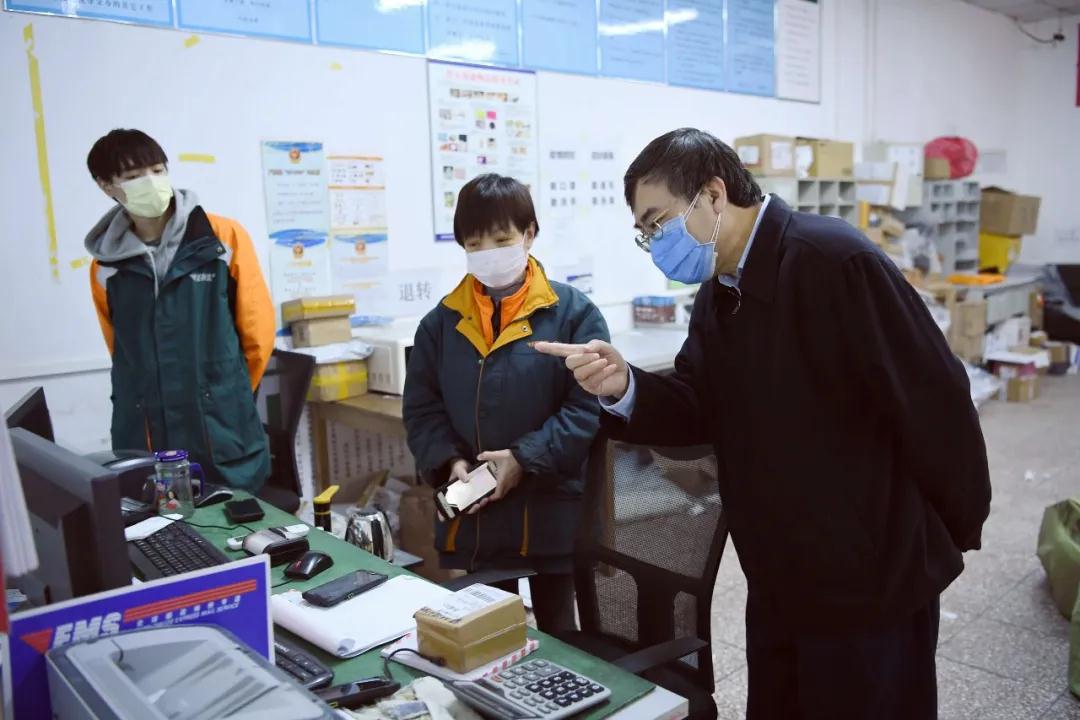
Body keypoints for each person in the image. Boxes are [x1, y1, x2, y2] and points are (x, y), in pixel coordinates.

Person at [536, 128, 991, 719]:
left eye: (659, 222)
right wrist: (625, 385)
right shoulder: (719, 294)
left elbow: (934, 399)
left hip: (870, 577)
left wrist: (953, 528)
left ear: (713, 194)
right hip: (780, 571)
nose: (655, 244)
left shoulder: (834, 261)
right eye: (645, 232)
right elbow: (697, 405)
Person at [403, 174, 609, 634]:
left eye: (501, 239)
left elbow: (586, 409)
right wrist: (450, 461)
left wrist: (522, 459)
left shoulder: (574, 314)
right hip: (480, 518)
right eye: (475, 243)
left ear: (529, 234)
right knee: (491, 636)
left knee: (561, 635)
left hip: (552, 512)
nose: (488, 253)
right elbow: (421, 408)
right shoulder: (440, 324)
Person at [86, 129, 274, 491]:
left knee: (231, 516)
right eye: (133, 176)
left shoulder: (222, 238)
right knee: (157, 519)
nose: (151, 182)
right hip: (146, 428)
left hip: (219, 427)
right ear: (106, 186)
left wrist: (223, 391)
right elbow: (122, 350)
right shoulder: (105, 265)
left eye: (157, 170)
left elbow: (258, 335)